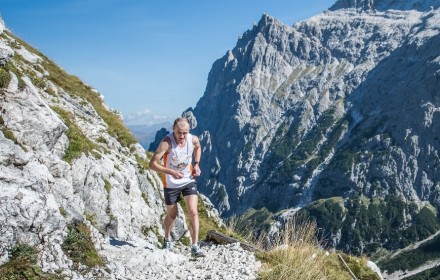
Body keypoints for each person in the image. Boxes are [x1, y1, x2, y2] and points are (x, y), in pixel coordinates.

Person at [149, 117, 205, 257]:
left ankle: (195, 247)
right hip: (170, 183)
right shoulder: (166, 143)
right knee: (172, 215)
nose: (181, 136)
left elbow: (198, 147)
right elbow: (152, 164)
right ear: (173, 129)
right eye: (179, 132)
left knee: (193, 212)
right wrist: (171, 172)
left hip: (188, 180)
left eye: (185, 133)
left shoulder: (193, 139)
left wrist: (197, 164)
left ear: (189, 131)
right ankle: (167, 239)